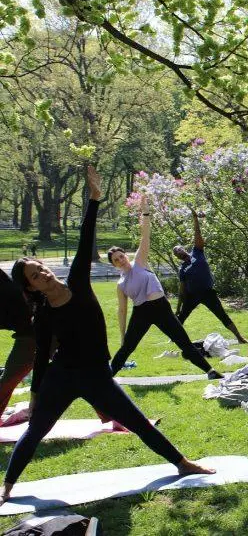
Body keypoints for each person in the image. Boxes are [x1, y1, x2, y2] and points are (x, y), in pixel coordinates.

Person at [3, 165, 213, 505]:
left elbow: (86, 239)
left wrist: (94, 199)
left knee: (137, 421)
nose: (43, 274)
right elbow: (42, 356)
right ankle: (8, 486)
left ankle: (182, 463)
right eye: (35, 276)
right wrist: (37, 395)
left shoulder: (79, 285)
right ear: (31, 287)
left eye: (41, 268)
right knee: (36, 430)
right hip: (62, 377)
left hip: (98, 376)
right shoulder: (42, 315)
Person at [108, 195, 221, 378]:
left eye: (121, 256)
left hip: (161, 308)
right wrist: (122, 335)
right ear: (114, 265)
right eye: (116, 260)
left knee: (182, 341)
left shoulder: (140, 262)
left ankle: (210, 371)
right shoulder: (121, 284)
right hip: (141, 313)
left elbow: (145, 235)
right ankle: (108, 377)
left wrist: (145, 212)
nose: (121, 260)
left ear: (125, 255)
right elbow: (122, 311)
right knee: (128, 347)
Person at [173, 209, 248, 344]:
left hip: (208, 293)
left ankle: (240, 338)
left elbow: (198, 234)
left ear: (184, 248)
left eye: (179, 249)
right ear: (177, 258)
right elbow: (182, 290)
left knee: (222, 315)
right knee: (181, 317)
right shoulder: (182, 269)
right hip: (192, 296)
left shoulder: (197, 252)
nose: (178, 253)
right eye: (176, 254)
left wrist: (195, 219)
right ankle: (174, 338)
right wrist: (178, 308)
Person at [0, 269, 36, 421]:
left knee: (8, 380)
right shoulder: (8, 286)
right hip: (30, 332)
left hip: (35, 333)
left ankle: (113, 414)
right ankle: (113, 414)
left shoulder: (8, 288)